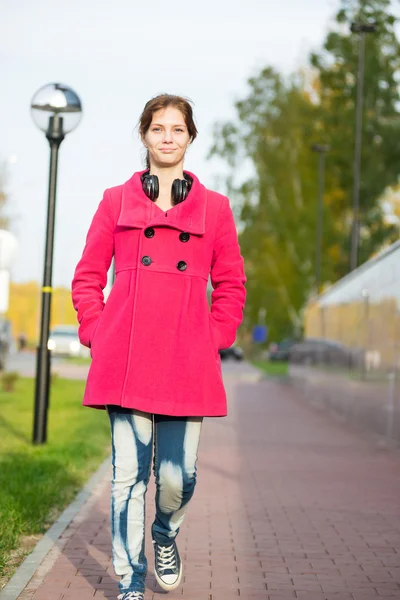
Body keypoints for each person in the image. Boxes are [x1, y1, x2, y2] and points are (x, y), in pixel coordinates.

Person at [71, 94, 246, 600]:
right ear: (144, 136)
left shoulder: (215, 209)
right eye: (157, 128)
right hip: (125, 359)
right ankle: (131, 579)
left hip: (185, 362)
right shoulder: (115, 201)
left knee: (177, 479)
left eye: (177, 129)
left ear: (190, 137)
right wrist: (97, 332)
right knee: (127, 477)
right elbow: (87, 276)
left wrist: (213, 337)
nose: (167, 137)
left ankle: (165, 533)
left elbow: (231, 283)